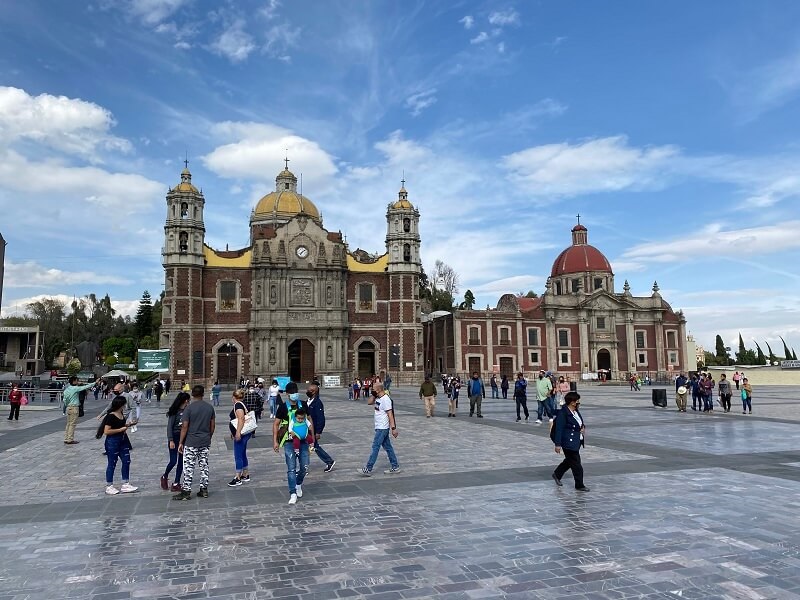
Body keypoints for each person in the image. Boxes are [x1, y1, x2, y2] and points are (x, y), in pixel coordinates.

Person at [173, 385, 215, 500]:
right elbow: (212, 425)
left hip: (191, 441)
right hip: (205, 440)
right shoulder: (209, 407)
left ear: (192, 394)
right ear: (203, 394)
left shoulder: (189, 408)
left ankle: (186, 491)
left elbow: (185, 426)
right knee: (204, 465)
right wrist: (209, 436)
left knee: (188, 467)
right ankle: (204, 489)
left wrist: (181, 442)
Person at [273, 382, 309, 504]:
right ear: (287, 394)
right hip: (289, 441)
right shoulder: (283, 407)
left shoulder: (303, 405)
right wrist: (275, 441)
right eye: (292, 392)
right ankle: (292, 492)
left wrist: (313, 438)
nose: (295, 394)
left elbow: (309, 420)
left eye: (296, 392)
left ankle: (298, 483)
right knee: (291, 468)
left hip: (303, 441)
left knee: (304, 467)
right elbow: (276, 424)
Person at [96, 396, 138, 495]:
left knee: (126, 460)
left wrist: (128, 425)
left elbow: (120, 425)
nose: (125, 405)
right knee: (112, 463)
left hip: (122, 441)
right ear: (120, 405)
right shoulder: (111, 416)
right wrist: (120, 430)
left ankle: (125, 483)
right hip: (112, 441)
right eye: (124, 404)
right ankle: (109, 485)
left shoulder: (121, 413)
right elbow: (107, 431)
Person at [357, 382, 400, 476]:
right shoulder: (378, 398)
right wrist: (373, 395)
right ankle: (395, 466)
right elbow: (369, 402)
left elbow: (390, 414)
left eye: (373, 388)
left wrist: (393, 428)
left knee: (375, 447)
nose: (372, 389)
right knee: (388, 448)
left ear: (379, 389)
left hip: (382, 428)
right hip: (379, 427)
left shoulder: (386, 399)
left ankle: (368, 468)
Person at [551, 391, 589, 492]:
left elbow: (579, 422)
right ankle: (579, 485)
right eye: (577, 401)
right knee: (577, 465)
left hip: (576, 441)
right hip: (568, 442)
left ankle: (557, 474)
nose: (578, 403)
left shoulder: (575, 411)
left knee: (569, 461)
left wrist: (582, 427)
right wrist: (557, 444)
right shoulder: (563, 413)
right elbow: (559, 429)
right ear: (572, 402)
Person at [161, 392, 189, 492]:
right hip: (175, 436)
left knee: (182, 461)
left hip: (184, 437)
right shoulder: (174, 411)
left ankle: (176, 482)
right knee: (173, 461)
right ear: (186, 400)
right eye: (188, 401)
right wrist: (170, 440)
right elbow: (169, 427)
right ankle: (165, 476)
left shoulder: (187, 410)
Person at [306, 382, 336, 472]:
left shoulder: (317, 403)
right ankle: (304, 467)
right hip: (306, 428)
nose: (307, 391)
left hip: (313, 429)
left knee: (313, 447)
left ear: (314, 392)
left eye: (309, 390)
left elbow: (321, 418)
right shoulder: (308, 401)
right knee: (310, 447)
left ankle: (329, 461)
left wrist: (318, 432)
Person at [227, 388, 253, 487]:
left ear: (234, 397)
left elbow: (241, 419)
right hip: (245, 433)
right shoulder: (243, 404)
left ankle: (237, 477)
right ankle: (245, 473)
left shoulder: (237, 405)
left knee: (238, 454)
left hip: (241, 433)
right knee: (242, 453)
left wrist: (237, 432)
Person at [63, 376, 96, 444]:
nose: (78, 382)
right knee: (72, 424)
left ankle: (66, 438)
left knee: (68, 424)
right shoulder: (75, 388)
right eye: (77, 380)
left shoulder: (67, 389)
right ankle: (70, 439)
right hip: (74, 407)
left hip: (69, 407)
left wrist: (67, 405)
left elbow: (65, 400)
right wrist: (95, 382)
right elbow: (85, 387)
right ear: (74, 381)